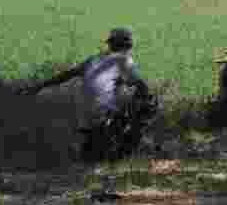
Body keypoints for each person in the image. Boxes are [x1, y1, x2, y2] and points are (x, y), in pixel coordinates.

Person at [19, 27, 152, 161]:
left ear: (110, 44)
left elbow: (66, 75)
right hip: (103, 117)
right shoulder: (124, 60)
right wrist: (146, 100)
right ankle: (125, 152)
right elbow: (140, 86)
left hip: (85, 120)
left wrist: (37, 87)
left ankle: (103, 146)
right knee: (146, 105)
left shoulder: (93, 59)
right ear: (129, 45)